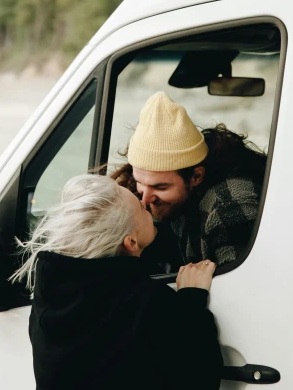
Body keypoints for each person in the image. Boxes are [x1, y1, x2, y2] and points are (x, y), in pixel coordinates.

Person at [12, 173, 223, 390]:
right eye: (138, 206)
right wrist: (192, 300)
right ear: (131, 243)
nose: (145, 203)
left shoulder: (50, 295)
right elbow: (202, 386)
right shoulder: (150, 303)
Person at [112, 91, 266, 269]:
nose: (145, 200)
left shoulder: (229, 208)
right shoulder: (148, 197)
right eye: (140, 182)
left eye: (161, 187)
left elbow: (240, 285)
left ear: (196, 177)